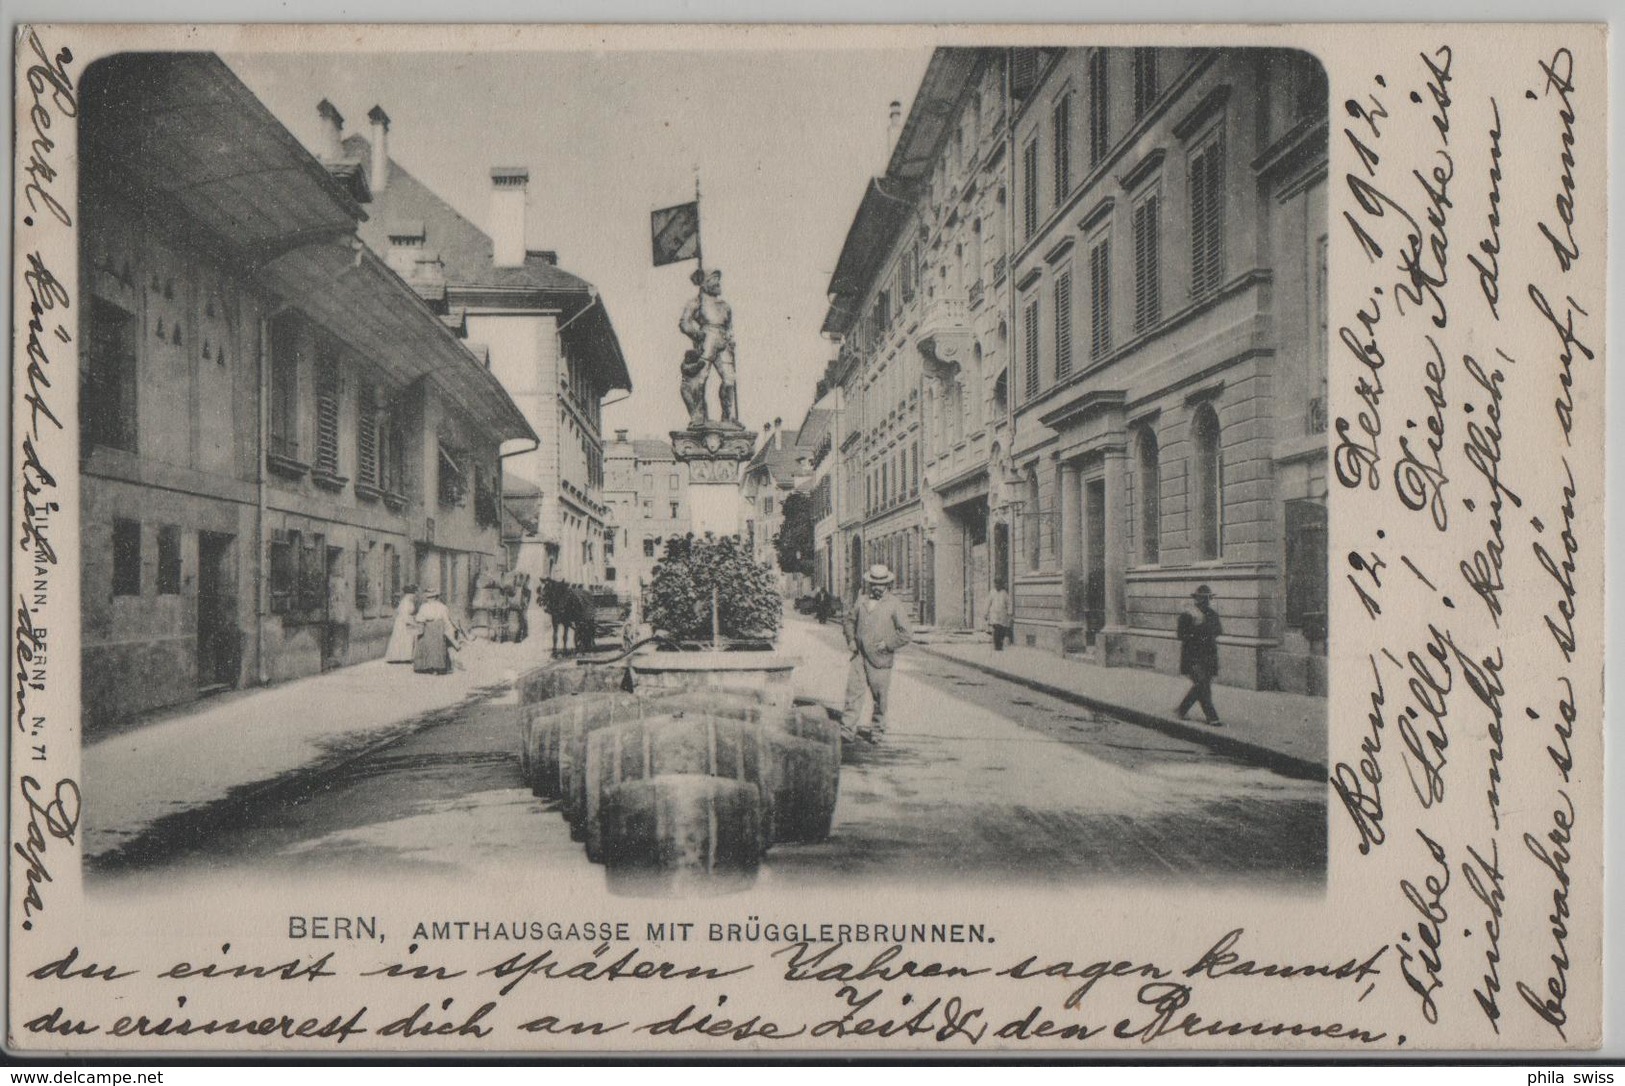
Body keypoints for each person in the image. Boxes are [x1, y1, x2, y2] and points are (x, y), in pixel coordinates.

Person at [841, 564, 912, 743]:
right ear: (870, 584)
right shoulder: (861, 601)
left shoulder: (894, 604)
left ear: (888, 584)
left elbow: (906, 633)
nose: (878, 587)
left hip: (881, 659)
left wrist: (887, 644)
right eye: (874, 584)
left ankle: (877, 731)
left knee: (880, 697)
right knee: (853, 693)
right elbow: (849, 621)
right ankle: (847, 730)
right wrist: (850, 640)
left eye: (882, 584)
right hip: (859, 656)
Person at [677, 268, 738, 425]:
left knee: (730, 380)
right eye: (713, 279)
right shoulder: (696, 302)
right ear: (704, 284)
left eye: (718, 279)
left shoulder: (725, 306)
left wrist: (730, 339)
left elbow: (729, 326)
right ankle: (698, 416)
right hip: (706, 340)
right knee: (700, 379)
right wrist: (696, 334)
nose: (717, 283)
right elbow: (684, 323)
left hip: (723, 342)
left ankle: (727, 416)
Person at [1175, 584, 1223, 727]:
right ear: (1196, 599)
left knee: (1201, 685)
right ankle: (1212, 716)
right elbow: (1181, 634)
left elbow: (1218, 630)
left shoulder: (1212, 614)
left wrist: (1202, 625)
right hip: (1192, 656)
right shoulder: (1186, 615)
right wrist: (1196, 626)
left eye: (1207, 598)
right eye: (1201, 598)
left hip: (1208, 656)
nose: (1204, 601)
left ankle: (1182, 709)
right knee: (1202, 684)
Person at [412, 590, 462, 675]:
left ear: (434, 597)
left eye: (430, 597)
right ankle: (438, 667)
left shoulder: (424, 607)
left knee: (429, 646)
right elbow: (446, 619)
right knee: (437, 647)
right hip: (439, 628)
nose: (429, 599)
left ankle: (427, 666)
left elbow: (420, 618)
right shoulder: (442, 607)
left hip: (428, 627)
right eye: (429, 597)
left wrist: (418, 621)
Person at [384, 584, 420, 663]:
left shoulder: (409, 601)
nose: (414, 596)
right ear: (409, 594)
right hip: (402, 622)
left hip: (407, 621)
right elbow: (404, 615)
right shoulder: (405, 602)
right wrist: (413, 623)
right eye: (413, 594)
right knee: (402, 638)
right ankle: (398, 657)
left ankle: (406, 657)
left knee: (408, 639)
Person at [985, 581, 1013, 651]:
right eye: (996, 584)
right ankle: (997, 646)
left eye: (998, 584)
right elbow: (988, 603)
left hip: (1002, 614)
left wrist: (1009, 613)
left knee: (1002, 630)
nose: (997, 586)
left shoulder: (1004, 593)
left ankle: (1000, 644)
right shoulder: (992, 592)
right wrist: (986, 613)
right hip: (994, 614)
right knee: (996, 629)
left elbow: (1009, 603)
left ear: (1001, 585)